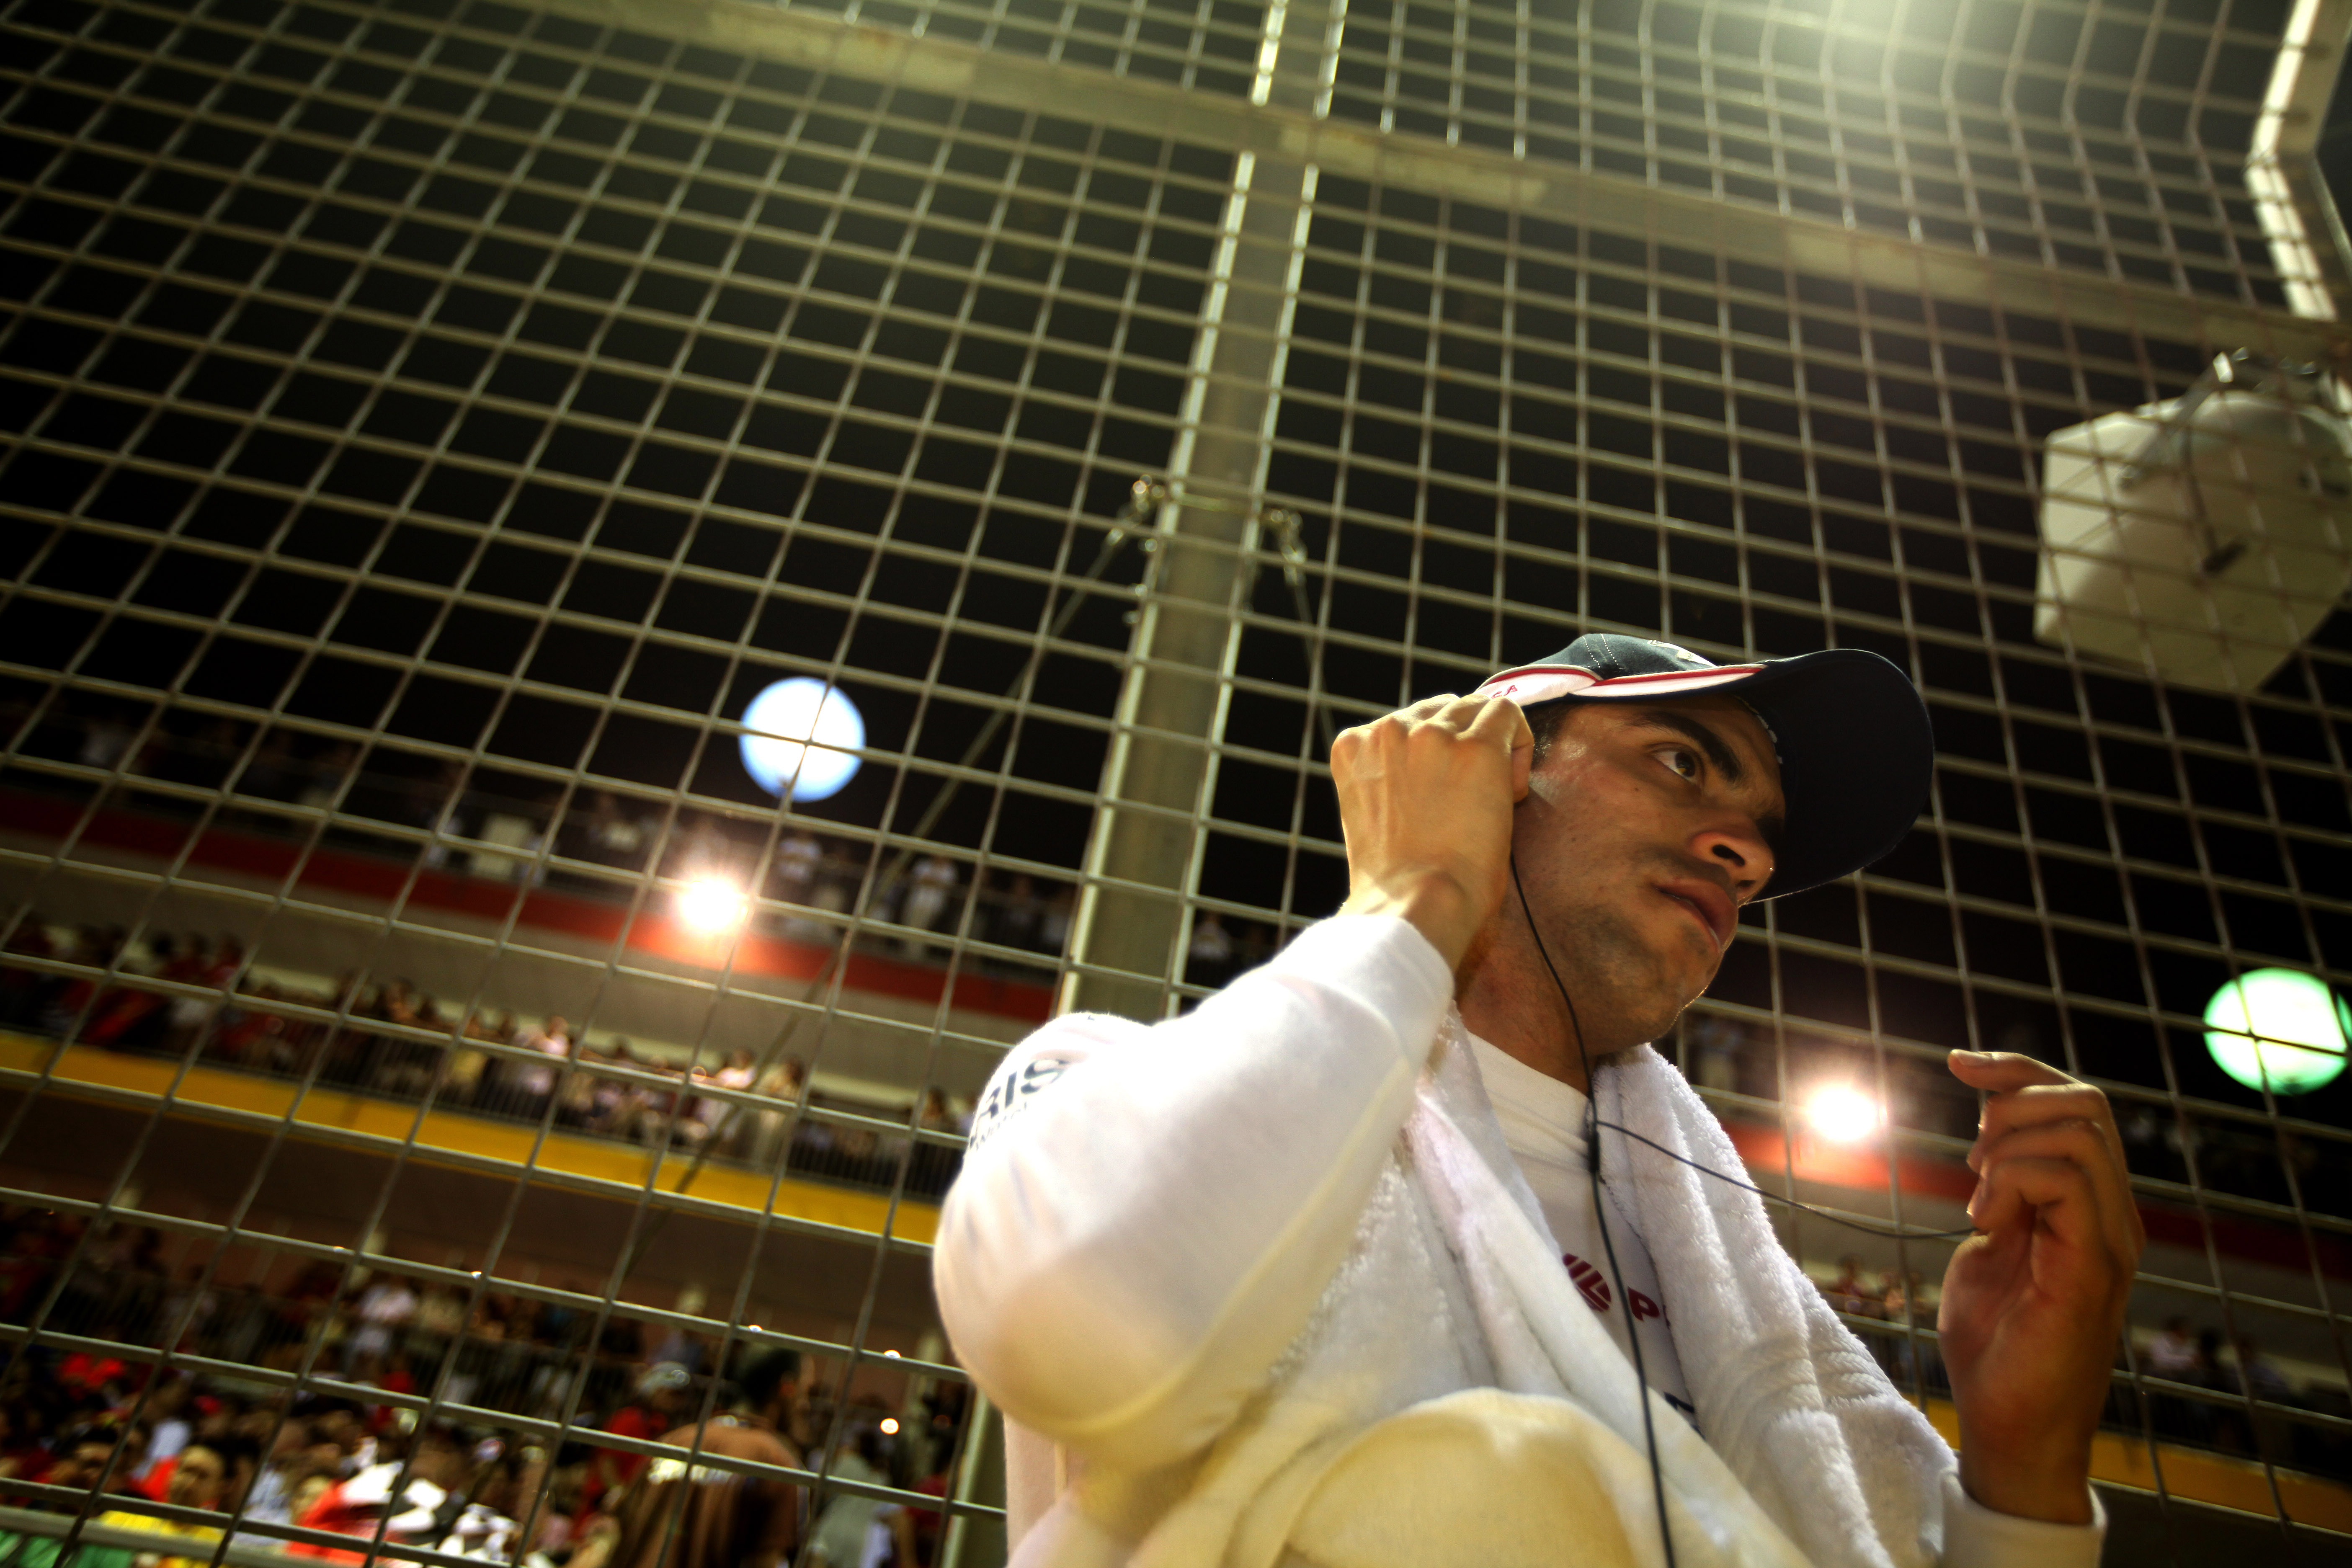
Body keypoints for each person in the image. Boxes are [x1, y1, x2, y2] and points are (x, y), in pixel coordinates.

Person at [936, 633, 2141, 1567]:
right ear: (1496, 762)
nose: (1748, 853)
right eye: (1683, 762)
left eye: (1761, 838)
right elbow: (1085, 1328)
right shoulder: (1100, 1079)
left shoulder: (1736, 1271)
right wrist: (1414, 891)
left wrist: (2022, 1472)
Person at [578, 1349, 805, 1568]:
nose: (806, 1404)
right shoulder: (777, 1462)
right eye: (806, 1391)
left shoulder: (676, 1440)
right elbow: (765, 1561)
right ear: (787, 1388)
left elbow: (613, 1534)